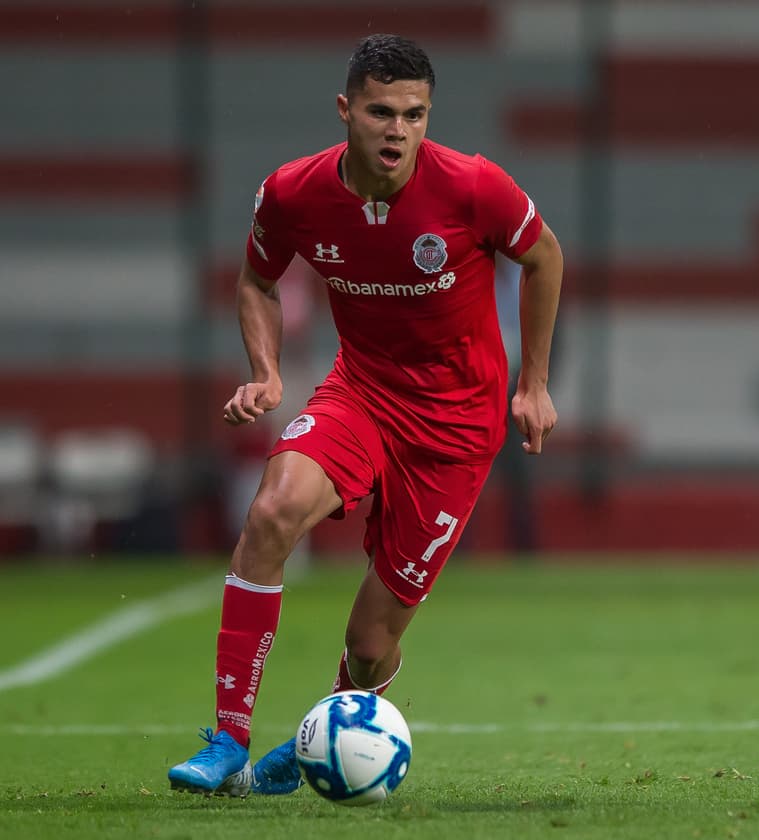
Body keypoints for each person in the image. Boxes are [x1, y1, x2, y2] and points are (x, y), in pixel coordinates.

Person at [168, 33, 562, 796]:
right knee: (273, 510)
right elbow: (256, 279)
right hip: (363, 392)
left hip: (455, 428)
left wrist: (535, 382)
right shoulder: (293, 193)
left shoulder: (474, 186)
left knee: (370, 642)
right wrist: (267, 370)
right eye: (381, 111)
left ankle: (322, 729)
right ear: (346, 110)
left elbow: (544, 255)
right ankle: (226, 738)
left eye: (415, 115)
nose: (398, 130)